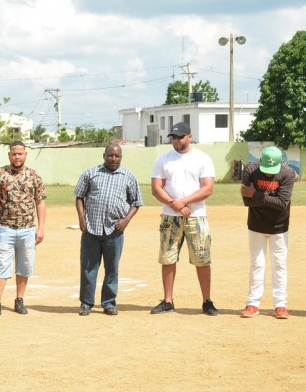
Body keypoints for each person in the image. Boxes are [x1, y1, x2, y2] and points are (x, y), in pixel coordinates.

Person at [150, 122, 218, 316]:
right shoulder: (163, 159)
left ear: (190, 136)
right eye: (173, 137)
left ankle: (207, 301)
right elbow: (156, 188)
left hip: (196, 217)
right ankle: (168, 300)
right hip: (170, 217)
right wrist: (174, 204)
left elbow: (208, 188)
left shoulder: (202, 158)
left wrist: (184, 202)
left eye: (180, 137)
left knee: (202, 259)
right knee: (168, 258)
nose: (176, 141)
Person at [75, 144, 143, 316]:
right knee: (88, 268)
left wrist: (126, 220)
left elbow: (136, 202)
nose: (113, 159)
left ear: (121, 157)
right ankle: (86, 303)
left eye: (116, 156)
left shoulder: (128, 176)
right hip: (91, 229)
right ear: (103, 155)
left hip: (115, 231)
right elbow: (79, 197)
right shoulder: (91, 173)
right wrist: (82, 219)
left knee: (112, 269)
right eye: (110, 155)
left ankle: (109, 303)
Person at [0, 141, 46, 319]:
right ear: (9, 155)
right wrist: (0, 211)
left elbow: (40, 202)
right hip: (5, 228)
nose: (17, 157)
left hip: (27, 229)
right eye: (14, 154)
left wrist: (41, 228)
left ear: (25, 155)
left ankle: (19, 299)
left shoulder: (33, 176)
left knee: (24, 265)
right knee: (1, 265)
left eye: (20, 154)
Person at [239, 146, 295, 319]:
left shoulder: (287, 173)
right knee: (257, 264)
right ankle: (253, 303)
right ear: (260, 162)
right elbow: (247, 201)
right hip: (256, 225)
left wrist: (255, 194)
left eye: (272, 171)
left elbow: (282, 203)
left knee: (279, 265)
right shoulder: (250, 170)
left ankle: (280, 305)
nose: (269, 175)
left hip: (279, 226)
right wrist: (267, 199)